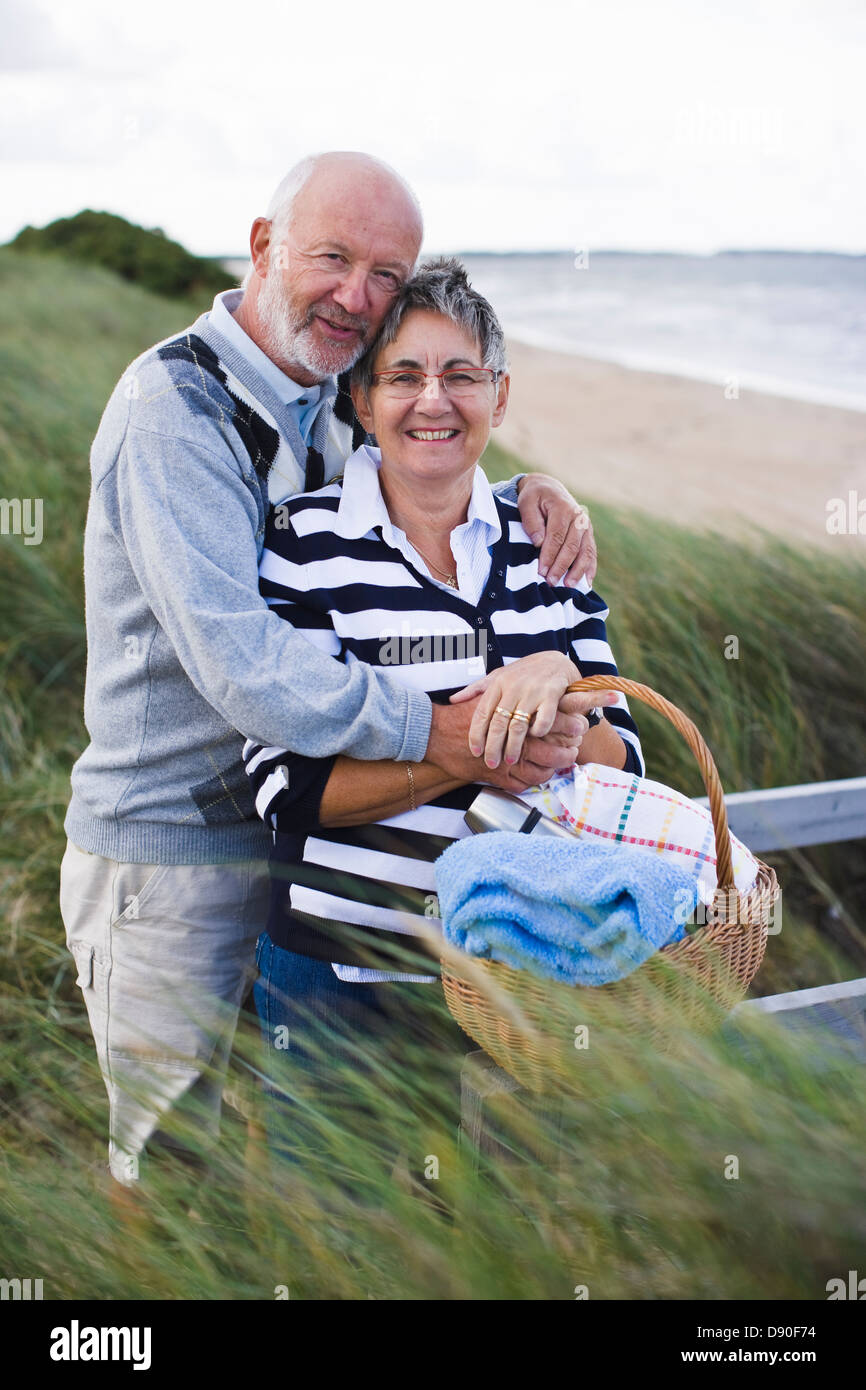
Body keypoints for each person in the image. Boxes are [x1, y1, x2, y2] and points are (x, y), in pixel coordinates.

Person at [58, 151, 599, 1189]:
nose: (356, 296)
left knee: (281, 1156)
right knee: (167, 1160)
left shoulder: (318, 398)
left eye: (384, 274)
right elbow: (243, 663)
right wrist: (448, 738)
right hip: (166, 852)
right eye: (331, 258)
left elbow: (426, 443)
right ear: (261, 249)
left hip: (289, 848)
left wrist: (534, 484)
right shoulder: (176, 409)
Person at [244, 257, 644, 1184]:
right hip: (338, 975)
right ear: (361, 398)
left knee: (492, 1255)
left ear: (498, 396)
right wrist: (475, 751)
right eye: (405, 376)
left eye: (462, 375)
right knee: (344, 1251)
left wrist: (559, 683)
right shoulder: (302, 548)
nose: (436, 401)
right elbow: (288, 792)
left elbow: (624, 763)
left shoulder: (551, 547)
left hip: (524, 980)